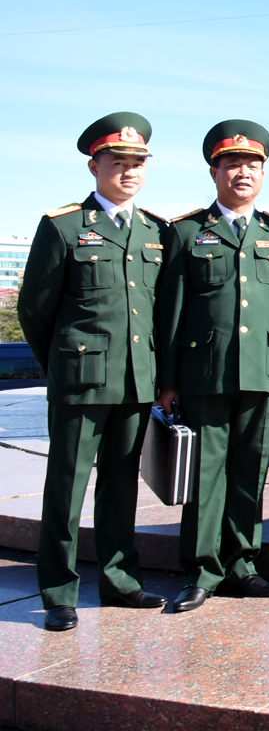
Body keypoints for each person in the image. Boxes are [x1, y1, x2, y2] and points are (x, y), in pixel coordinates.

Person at [17, 113, 169, 631]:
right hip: (81, 380)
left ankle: (120, 579)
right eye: (118, 163)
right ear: (94, 165)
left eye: (137, 164)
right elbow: (35, 310)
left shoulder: (154, 230)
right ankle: (58, 590)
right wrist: (62, 365)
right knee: (67, 486)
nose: (129, 172)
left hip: (134, 380)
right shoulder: (63, 226)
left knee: (121, 485)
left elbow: (157, 311)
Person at [155, 120, 269, 612]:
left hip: (259, 372)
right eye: (233, 164)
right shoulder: (186, 232)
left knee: (250, 469)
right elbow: (169, 312)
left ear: (263, 173)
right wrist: (168, 381)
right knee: (206, 473)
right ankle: (202, 569)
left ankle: (243, 565)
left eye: (253, 165)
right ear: (214, 171)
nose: (243, 172)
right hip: (204, 374)